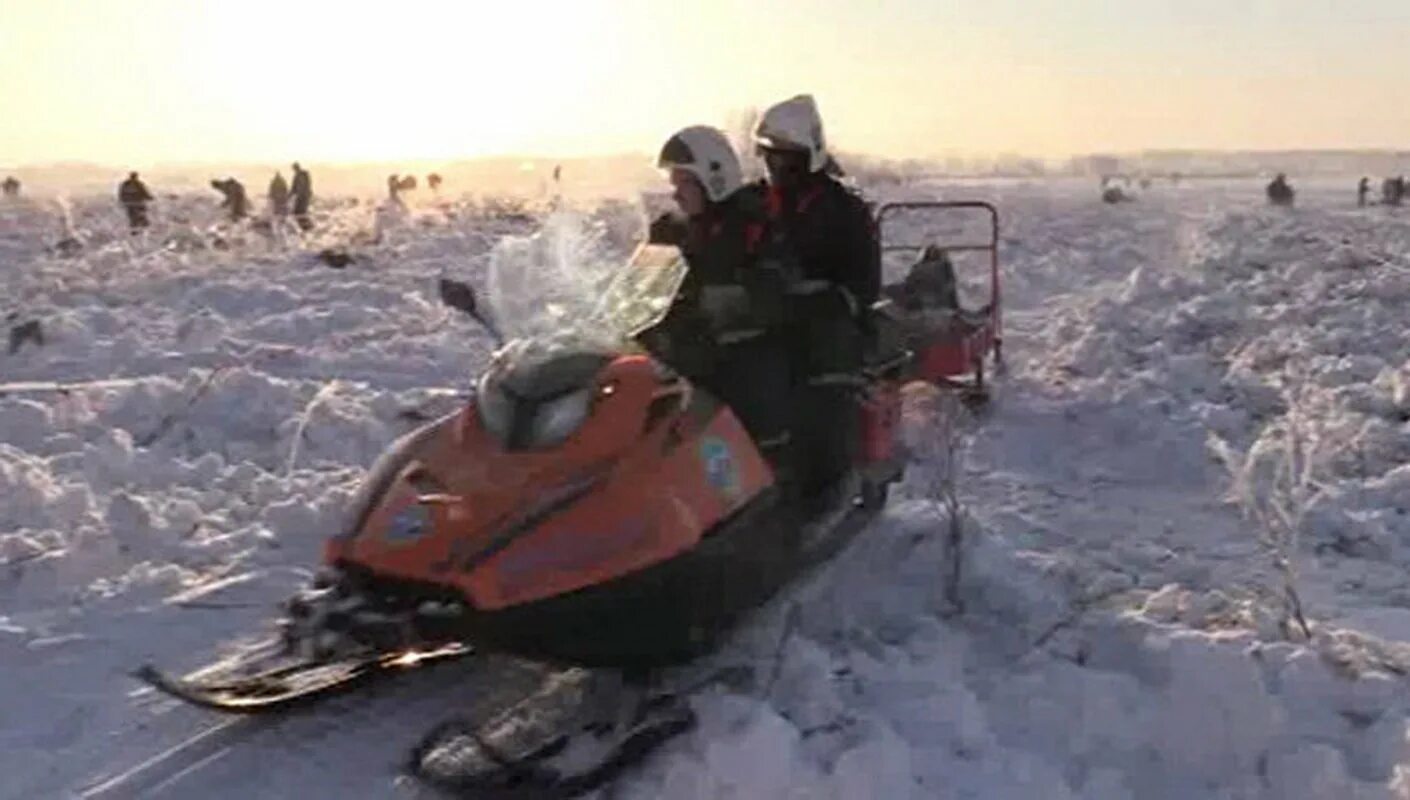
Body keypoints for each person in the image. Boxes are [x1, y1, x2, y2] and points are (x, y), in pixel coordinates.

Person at [752, 93, 880, 513]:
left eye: (785, 157)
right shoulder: (753, 203)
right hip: (766, 316)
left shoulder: (844, 210)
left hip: (826, 326)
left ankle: (827, 480)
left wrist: (814, 295)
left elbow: (863, 285)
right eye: (769, 155)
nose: (775, 166)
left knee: (817, 373)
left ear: (808, 156)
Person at [644, 125, 795, 470]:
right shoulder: (673, 229)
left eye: (684, 183)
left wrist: (721, 303)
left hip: (740, 349)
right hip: (686, 349)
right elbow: (645, 282)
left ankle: (770, 476)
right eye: (673, 184)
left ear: (713, 179)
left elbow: (772, 291)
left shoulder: (755, 224)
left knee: (753, 378)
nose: (676, 195)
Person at [290, 162, 313, 231]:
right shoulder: (300, 175)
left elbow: (297, 188)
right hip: (303, 196)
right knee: (300, 212)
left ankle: (307, 227)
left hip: (303, 197)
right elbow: (294, 188)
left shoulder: (300, 176)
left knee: (299, 212)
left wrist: (291, 195)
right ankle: (306, 227)